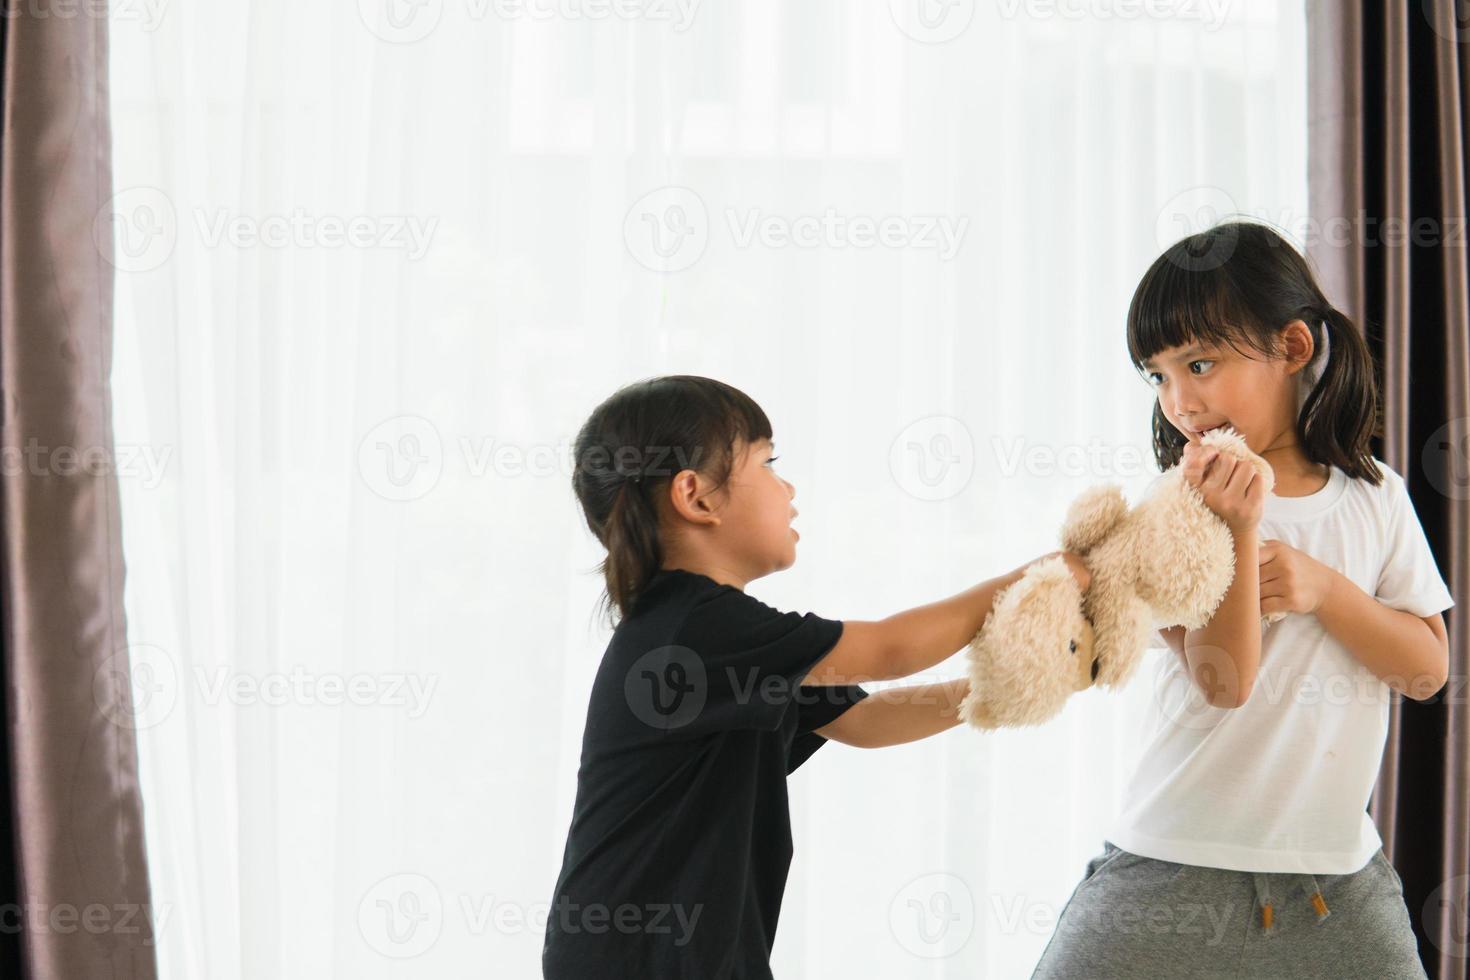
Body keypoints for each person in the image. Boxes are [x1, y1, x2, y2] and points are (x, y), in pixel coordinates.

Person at [543, 374, 1090, 979]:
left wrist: (1029, 679)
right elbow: (890, 649)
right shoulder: (695, 629)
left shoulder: (722, 640)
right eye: (768, 463)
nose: (791, 488)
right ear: (696, 497)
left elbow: (866, 721)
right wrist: (1037, 577)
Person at [1031, 222, 1452, 979]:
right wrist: (1238, 523)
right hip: (1169, 869)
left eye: (1199, 363)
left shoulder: (1376, 497)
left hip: (1336, 883)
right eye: (1157, 376)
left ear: (1292, 348)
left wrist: (1325, 589)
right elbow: (1224, 684)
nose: (1179, 402)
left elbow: (1426, 672)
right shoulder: (1175, 508)